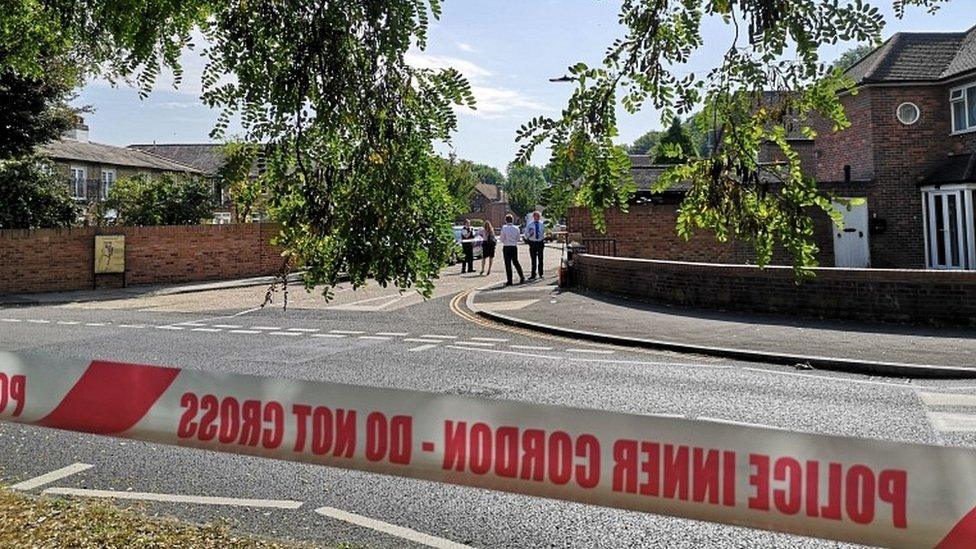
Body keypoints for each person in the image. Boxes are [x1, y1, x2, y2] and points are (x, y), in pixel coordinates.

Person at [500, 214, 525, 286]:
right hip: (514, 247)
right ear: (512, 220)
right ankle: (522, 277)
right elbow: (518, 238)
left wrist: (506, 240)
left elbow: (502, 238)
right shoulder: (516, 228)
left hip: (507, 247)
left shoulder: (504, 228)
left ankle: (509, 280)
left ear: (506, 220)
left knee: (508, 264)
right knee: (516, 262)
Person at [524, 210, 545, 279]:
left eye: (539, 216)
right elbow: (526, 234)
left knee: (540, 259)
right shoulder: (530, 225)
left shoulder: (542, 224)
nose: (538, 217)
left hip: (540, 242)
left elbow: (543, 233)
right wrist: (530, 235)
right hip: (532, 242)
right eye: (536, 216)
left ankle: (541, 273)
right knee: (533, 259)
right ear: (533, 217)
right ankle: (533, 274)